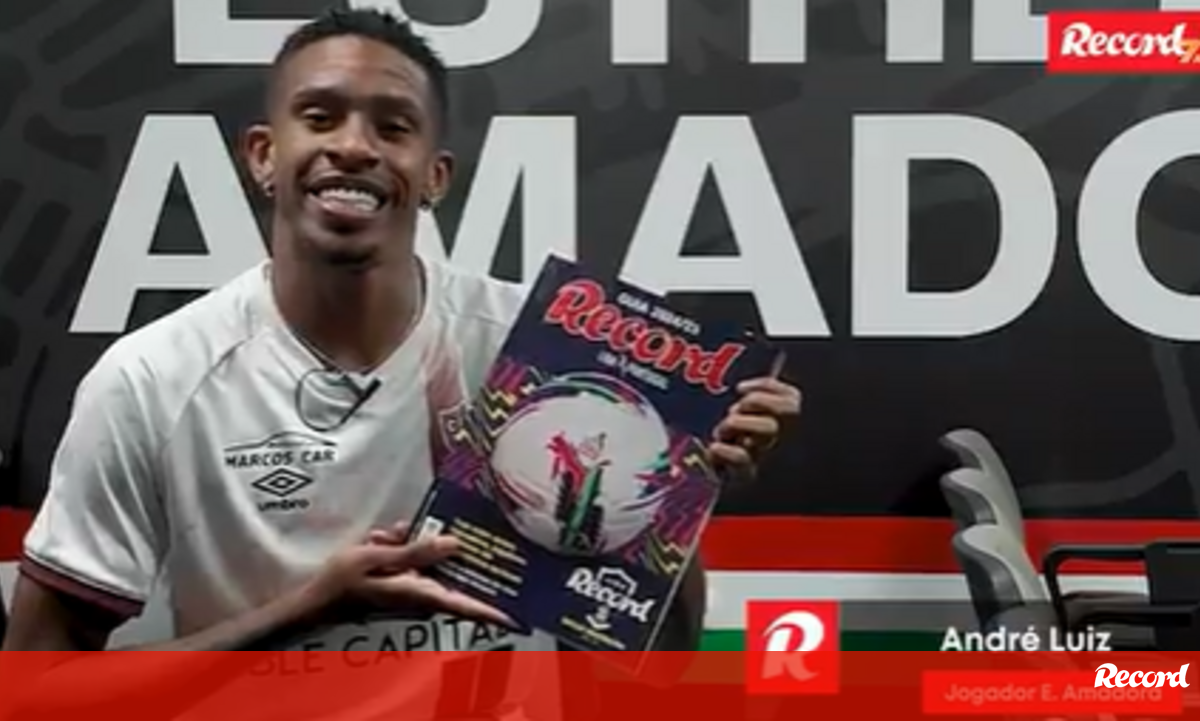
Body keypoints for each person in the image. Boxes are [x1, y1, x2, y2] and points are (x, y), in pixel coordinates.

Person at [1, 6, 801, 719]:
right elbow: (31, 693)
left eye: (393, 127)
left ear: (434, 175)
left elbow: (664, 665)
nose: (353, 147)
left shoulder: (540, 354)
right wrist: (308, 609)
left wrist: (673, 500)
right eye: (320, 116)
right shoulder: (152, 377)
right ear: (263, 155)